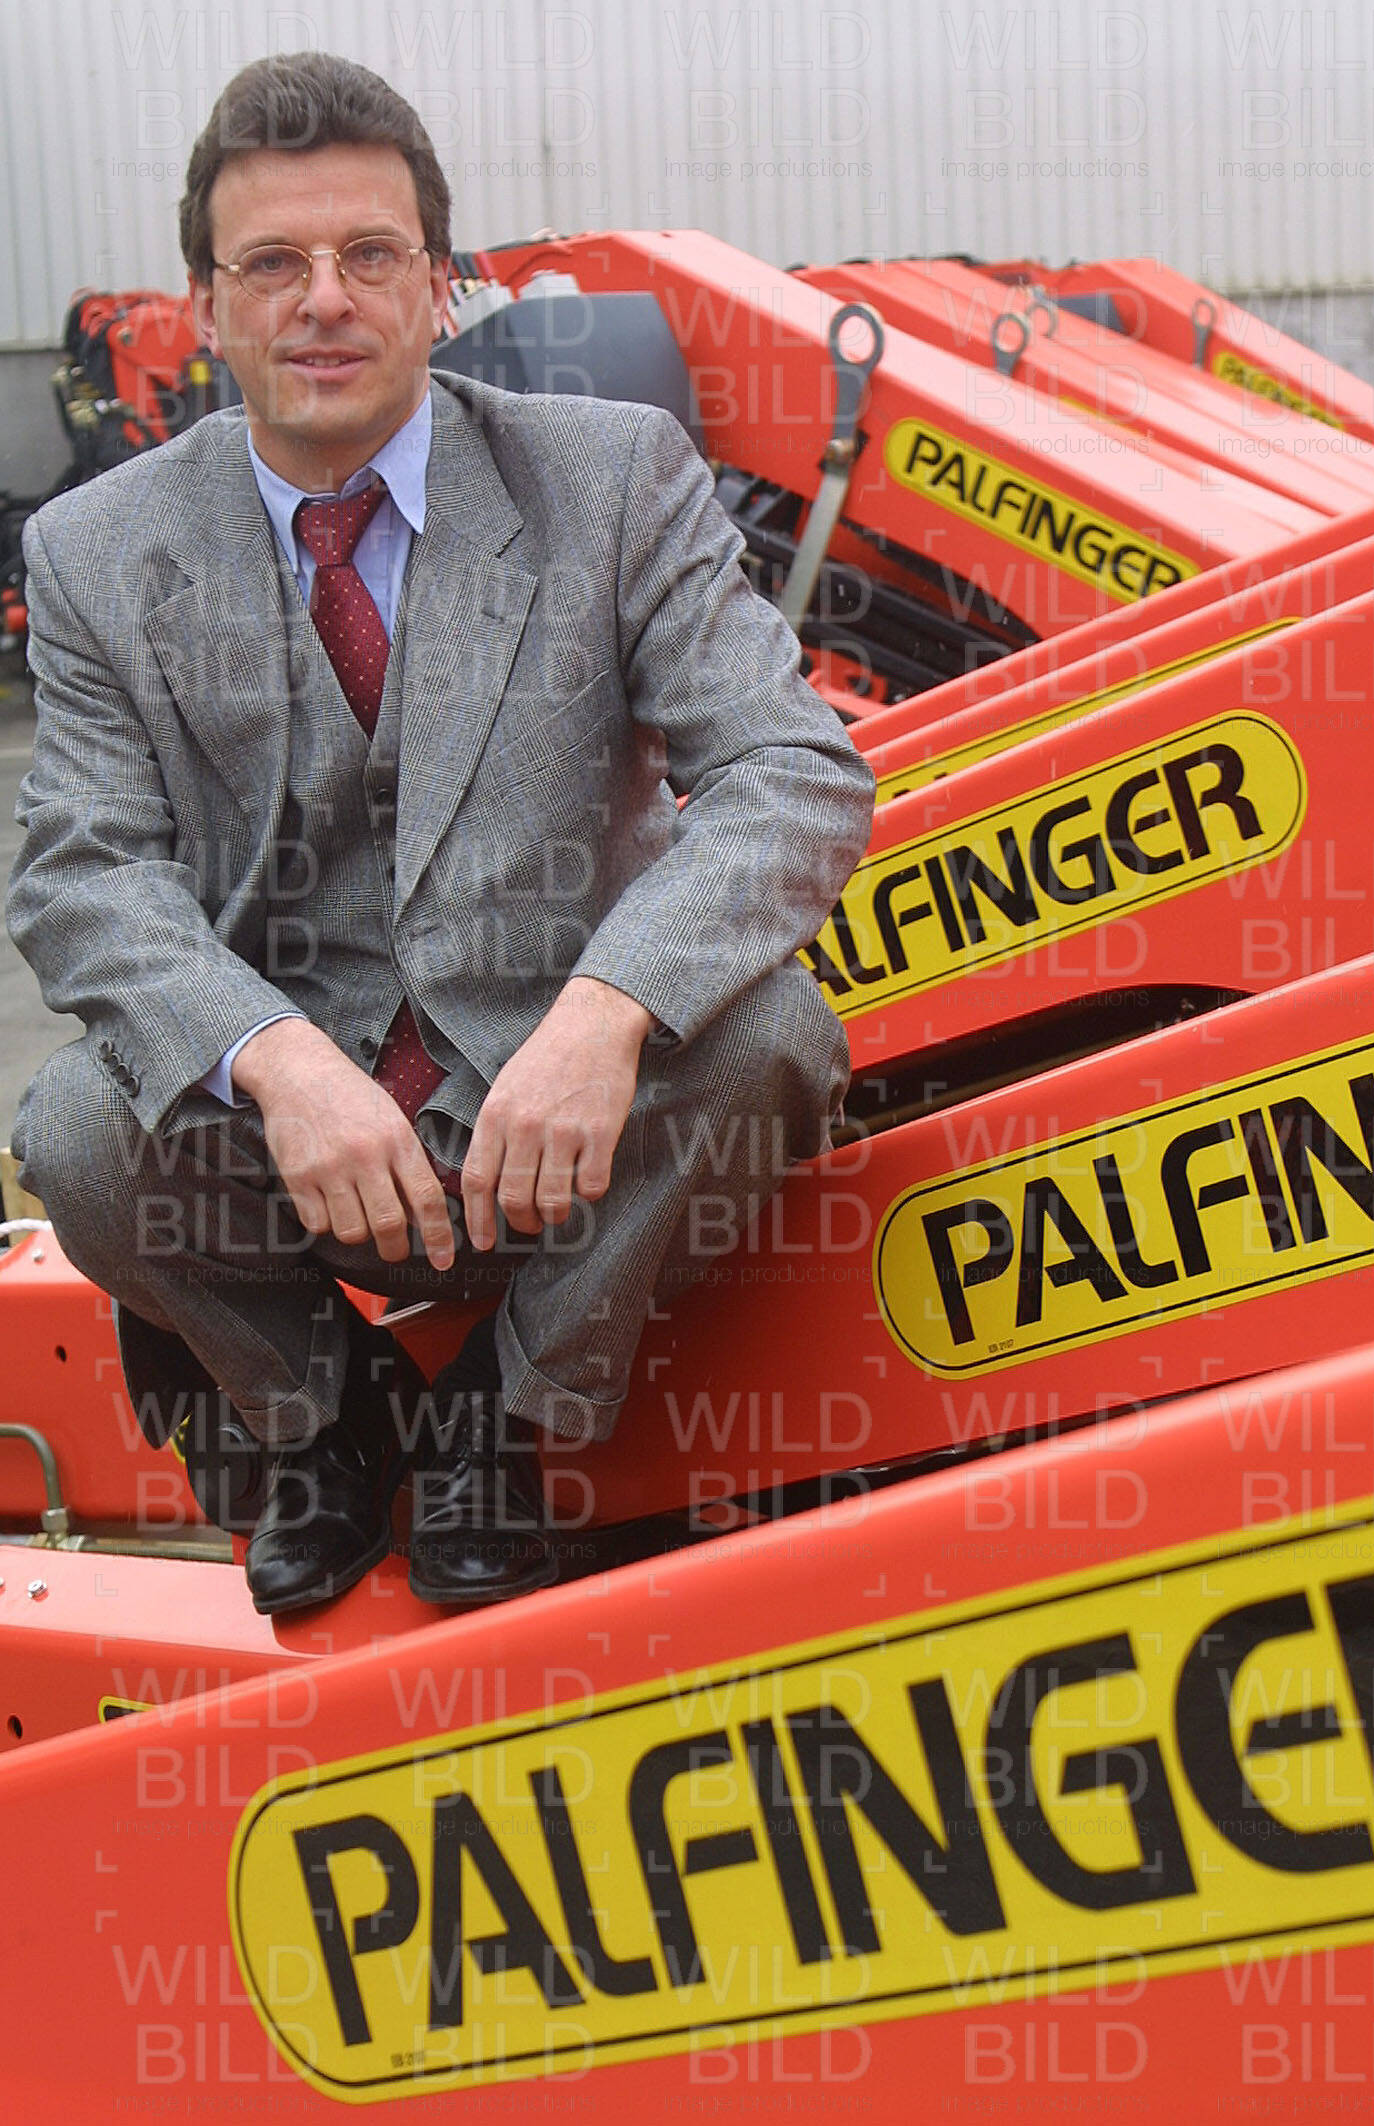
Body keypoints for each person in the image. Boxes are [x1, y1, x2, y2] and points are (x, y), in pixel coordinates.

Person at [6, 53, 874, 1616]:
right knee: (76, 1123)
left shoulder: (611, 479)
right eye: (273, 263)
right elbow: (84, 871)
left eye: (370, 254)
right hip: (297, 1143)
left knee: (776, 1039)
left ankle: (507, 1410)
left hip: (569, 1121)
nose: (324, 300)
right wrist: (279, 1064)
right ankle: (324, 1411)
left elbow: (791, 769)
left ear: (439, 283)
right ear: (206, 304)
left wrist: (608, 1014)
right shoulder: (96, 552)